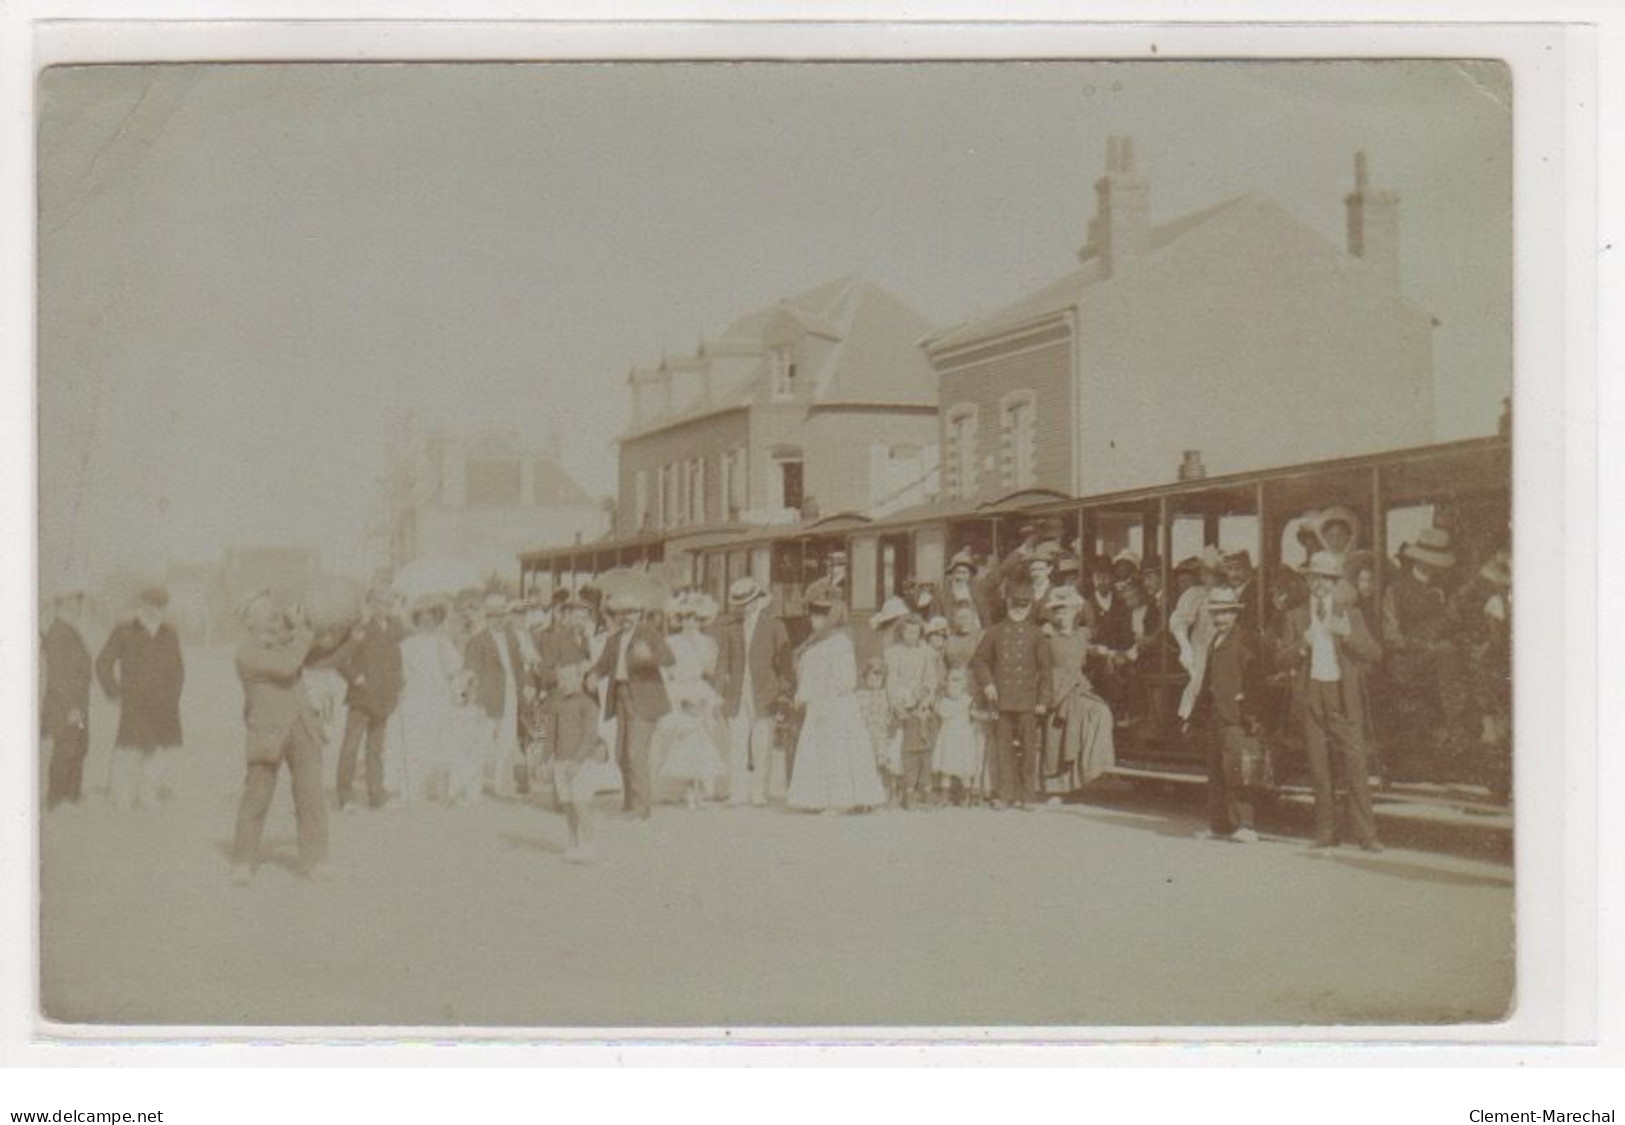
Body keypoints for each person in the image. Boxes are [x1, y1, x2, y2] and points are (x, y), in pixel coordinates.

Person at [1278, 551, 1385, 852]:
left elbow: (1375, 653)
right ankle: (1326, 833)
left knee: (1356, 767)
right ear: (1308, 580)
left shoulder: (1349, 614)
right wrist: (1303, 644)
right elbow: (1279, 658)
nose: (1320, 583)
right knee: (1319, 769)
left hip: (1342, 696)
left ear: (1335, 581)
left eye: (1326, 578)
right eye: (1315, 577)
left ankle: (1367, 836)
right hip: (1312, 695)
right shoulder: (1296, 616)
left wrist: (1348, 634)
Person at [230, 594, 334, 885]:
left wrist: (314, 621)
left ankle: (316, 860)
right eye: (266, 614)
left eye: (275, 613)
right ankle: (243, 862)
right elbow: (287, 667)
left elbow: (324, 648)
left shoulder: (288, 643)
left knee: (311, 797)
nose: (275, 617)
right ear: (250, 622)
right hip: (268, 731)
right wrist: (302, 632)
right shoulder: (246, 654)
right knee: (257, 798)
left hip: (303, 727)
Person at [785, 597, 887, 813]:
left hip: (836, 705)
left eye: (818, 616)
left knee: (838, 751)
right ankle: (815, 799)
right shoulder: (814, 642)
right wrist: (802, 695)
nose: (813, 621)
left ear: (829, 618)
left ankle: (839, 800)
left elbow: (845, 679)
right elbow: (807, 675)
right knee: (817, 750)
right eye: (812, 616)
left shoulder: (840, 642)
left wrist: (823, 697)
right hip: (817, 704)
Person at [1381, 526, 1465, 775]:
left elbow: (1454, 628)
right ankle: (1455, 728)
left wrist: (1454, 617)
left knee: (1457, 654)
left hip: (1441, 661)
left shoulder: (1446, 590)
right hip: (1405, 661)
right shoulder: (1396, 589)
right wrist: (1423, 645)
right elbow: (1391, 636)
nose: (1435, 567)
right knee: (1447, 653)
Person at [95, 586, 185, 810]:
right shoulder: (124, 630)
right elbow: (103, 664)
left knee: (156, 751)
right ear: (141, 605)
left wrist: (173, 696)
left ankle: (148, 795)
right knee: (128, 749)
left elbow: (178, 669)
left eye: (161, 606)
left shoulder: (169, 633)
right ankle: (122, 796)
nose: (156, 610)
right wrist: (114, 693)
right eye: (151, 605)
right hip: (134, 703)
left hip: (164, 704)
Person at [589, 592, 674, 819]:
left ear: (639, 614)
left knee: (635, 753)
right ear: (615, 615)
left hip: (644, 699)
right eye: (621, 613)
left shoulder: (649, 634)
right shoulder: (614, 640)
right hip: (620, 698)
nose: (626, 617)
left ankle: (641, 807)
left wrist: (649, 658)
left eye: (631, 612)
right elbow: (603, 664)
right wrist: (593, 674)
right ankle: (629, 803)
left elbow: (668, 658)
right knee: (620, 754)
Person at [1193, 587, 1267, 844]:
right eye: (1216, 613)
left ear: (1235, 614)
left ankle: (1245, 824)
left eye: (1225, 613)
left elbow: (1255, 678)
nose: (1220, 618)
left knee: (1237, 771)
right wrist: (1200, 709)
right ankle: (1219, 824)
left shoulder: (1244, 640)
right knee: (1216, 771)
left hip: (1236, 718)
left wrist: (1249, 709)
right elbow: (1208, 678)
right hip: (1217, 714)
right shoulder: (1216, 640)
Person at [969, 583, 1053, 809]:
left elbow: (1046, 669)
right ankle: (1005, 795)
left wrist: (1044, 700)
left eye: (1024, 606)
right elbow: (978, 660)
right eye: (1015, 604)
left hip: (1028, 701)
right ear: (1008, 604)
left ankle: (1027, 797)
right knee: (1003, 749)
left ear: (1030, 607)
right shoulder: (994, 632)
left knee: (1028, 750)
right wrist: (987, 684)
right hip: (1002, 699)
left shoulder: (1036, 634)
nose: (1019, 610)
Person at [716, 577, 795, 807]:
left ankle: (759, 791)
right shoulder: (730, 628)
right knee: (737, 743)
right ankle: (737, 791)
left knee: (762, 743)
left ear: (759, 600)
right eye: (741, 604)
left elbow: (785, 664)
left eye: (749, 602)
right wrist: (718, 693)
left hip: (765, 693)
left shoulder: (774, 626)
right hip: (737, 693)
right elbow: (722, 662)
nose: (745, 608)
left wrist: (783, 693)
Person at [333, 586, 405, 812]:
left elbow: (399, 660)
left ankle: (377, 795)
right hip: (362, 697)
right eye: (381, 603)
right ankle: (345, 797)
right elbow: (342, 659)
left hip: (384, 697)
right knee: (351, 747)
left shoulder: (396, 628)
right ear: (371, 604)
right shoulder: (360, 628)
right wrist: (356, 678)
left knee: (376, 748)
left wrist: (399, 685)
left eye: (389, 603)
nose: (385, 607)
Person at [654, 593, 726, 809]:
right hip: (678, 690)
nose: (689, 623)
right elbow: (664, 671)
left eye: (694, 618)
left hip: (701, 689)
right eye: (685, 618)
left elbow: (713, 670)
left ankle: (701, 786)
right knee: (681, 738)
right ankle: (682, 787)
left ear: (701, 620)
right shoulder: (671, 642)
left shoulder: (708, 642)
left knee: (706, 738)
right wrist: (675, 696)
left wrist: (707, 693)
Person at [1042, 585, 1115, 793]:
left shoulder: (1082, 634)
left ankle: (1091, 769)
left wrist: (1100, 651)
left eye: (1066, 610)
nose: (1062, 615)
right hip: (1056, 690)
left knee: (1101, 712)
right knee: (1056, 732)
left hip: (1078, 688)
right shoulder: (1047, 635)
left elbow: (1087, 649)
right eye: (1057, 611)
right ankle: (1055, 787)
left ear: (1075, 612)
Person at [395, 598, 462, 802]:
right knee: (416, 743)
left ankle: (439, 789)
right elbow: (402, 671)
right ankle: (415, 789)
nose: (427, 624)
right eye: (422, 620)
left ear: (437, 621)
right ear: (416, 622)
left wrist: (445, 650)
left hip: (439, 698)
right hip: (415, 699)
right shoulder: (407, 645)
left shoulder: (444, 643)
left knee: (440, 742)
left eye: (431, 619)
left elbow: (455, 668)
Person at [465, 593, 528, 799]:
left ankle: (502, 786)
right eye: (493, 616)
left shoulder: (511, 639)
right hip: (488, 698)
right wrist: (476, 700)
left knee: (507, 741)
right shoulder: (477, 641)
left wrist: (525, 687)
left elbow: (518, 667)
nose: (497, 620)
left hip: (511, 694)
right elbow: (471, 673)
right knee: (480, 742)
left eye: (501, 616)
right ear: (486, 617)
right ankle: (472, 788)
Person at [544, 660, 606, 862]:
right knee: (568, 804)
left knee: (581, 803)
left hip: (581, 762)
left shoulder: (588, 704)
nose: (564, 683)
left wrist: (577, 761)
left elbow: (590, 736)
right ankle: (572, 843)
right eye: (561, 678)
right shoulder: (556, 703)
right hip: (562, 760)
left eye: (569, 678)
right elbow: (550, 734)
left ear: (580, 678)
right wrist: (546, 759)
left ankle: (589, 844)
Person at [41, 588, 93, 811]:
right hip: (65, 705)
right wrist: (71, 707)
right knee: (66, 748)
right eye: (74, 601)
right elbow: (58, 675)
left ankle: (72, 795)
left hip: (78, 703)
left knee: (79, 746)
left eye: (79, 600)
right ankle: (57, 797)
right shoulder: (59, 632)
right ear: (60, 604)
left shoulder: (70, 629)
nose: (78, 605)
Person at [886, 614, 944, 809]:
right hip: (903, 704)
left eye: (916, 631)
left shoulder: (926, 653)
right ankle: (902, 790)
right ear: (901, 632)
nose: (912, 635)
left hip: (922, 705)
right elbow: (892, 681)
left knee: (924, 748)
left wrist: (926, 699)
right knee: (902, 750)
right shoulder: (893, 653)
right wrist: (898, 704)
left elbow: (931, 680)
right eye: (908, 631)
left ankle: (923, 789)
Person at [1169, 548, 1226, 728]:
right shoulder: (1195, 594)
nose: (1206, 577)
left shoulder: (1228, 593)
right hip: (1199, 650)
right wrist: (1185, 647)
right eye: (1205, 573)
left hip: (1223, 649)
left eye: (1213, 573)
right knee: (1198, 682)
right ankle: (1189, 723)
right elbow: (1179, 622)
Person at [932, 666, 981, 805]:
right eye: (950, 681)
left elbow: (974, 715)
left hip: (963, 737)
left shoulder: (967, 700)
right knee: (946, 766)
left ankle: (966, 794)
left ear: (964, 684)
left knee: (964, 766)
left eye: (957, 681)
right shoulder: (944, 701)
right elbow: (942, 713)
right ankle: (944, 795)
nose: (953, 684)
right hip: (948, 737)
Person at [855, 657, 899, 799]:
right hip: (866, 734)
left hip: (880, 734)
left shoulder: (884, 695)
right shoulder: (860, 695)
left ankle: (883, 793)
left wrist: (888, 727)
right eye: (871, 678)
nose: (875, 682)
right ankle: (865, 795)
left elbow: (889, 715)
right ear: (865, 678)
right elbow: (858, 714)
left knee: (882, 764)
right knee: (866, 764)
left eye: (878, 679)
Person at [942, 548, 995, 629]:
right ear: (952, 574)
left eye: (964, 573)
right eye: (958, 572)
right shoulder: (942, 595)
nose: (960, 577)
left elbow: (986, 618)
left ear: (970, 575)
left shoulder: (978, 593)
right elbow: (935, 621)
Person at [943, 603, 983, 671]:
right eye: (960, 618)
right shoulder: (949, 640)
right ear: (954, 619)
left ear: (973, 617)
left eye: (966, 617)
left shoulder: (981, 637)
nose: (963, 621)